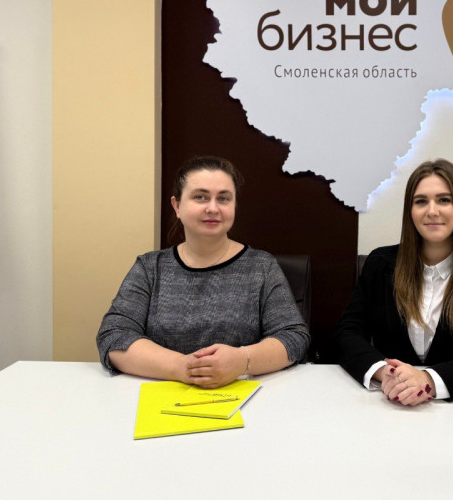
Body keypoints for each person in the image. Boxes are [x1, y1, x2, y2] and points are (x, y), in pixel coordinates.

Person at [96, 156, 310, 388]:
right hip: (162, 397)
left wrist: (242, 361)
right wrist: (182, 367)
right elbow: (114, 335)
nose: (213, 208)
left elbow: (293, 337)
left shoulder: (261, 266)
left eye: (224, 198)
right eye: (200, 197)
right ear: (177, 206)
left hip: (243, 398)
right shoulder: (150, 268)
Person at [333, 159, 453, 404]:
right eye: (421, 201)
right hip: (387, 405)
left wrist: (429, 380)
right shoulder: (379, 263)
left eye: (444, 200)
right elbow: (347, 333)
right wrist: (385, 373)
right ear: (410, 211)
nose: (432, 211)